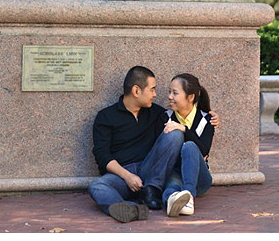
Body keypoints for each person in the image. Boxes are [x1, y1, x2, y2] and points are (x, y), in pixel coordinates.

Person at [88, 66, 220, 223]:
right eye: (152, 89)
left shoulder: (158, 113)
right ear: (137, 91)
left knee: (175, 133)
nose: (156, 94)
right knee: (97, 186)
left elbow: (188, 113)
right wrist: (128, 176)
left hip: (150, 169)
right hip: (122, 175)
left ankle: (152, 189)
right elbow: (102, 156)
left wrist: (211, 116)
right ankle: (131, 209)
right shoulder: (105, 117)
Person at [161, 73, 214, 217]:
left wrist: (183, 129)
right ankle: (172, 203)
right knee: (171, 188)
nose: (170, 96)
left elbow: (203, 151)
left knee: (190, 146)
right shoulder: (165, 116)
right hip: (176, 172)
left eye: (175, 93)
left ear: (190, 97)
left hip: (200, 178)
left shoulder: (207, 119)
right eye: (169, 92)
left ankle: (189, 195)